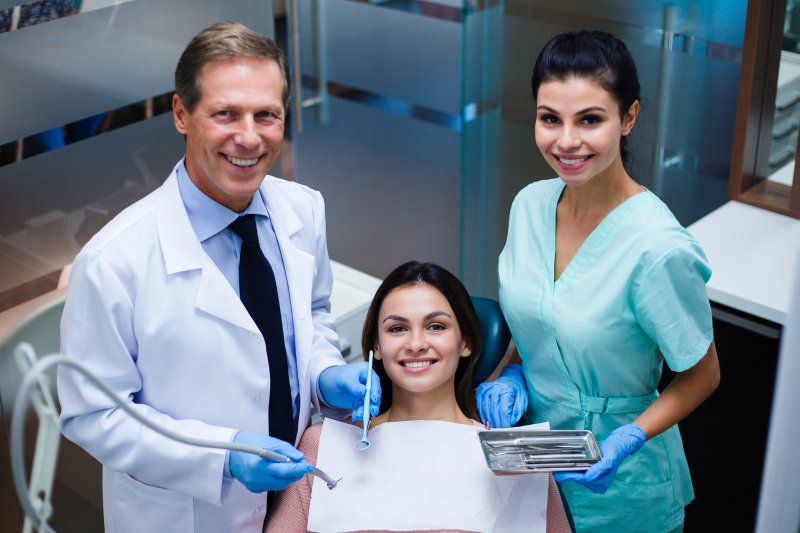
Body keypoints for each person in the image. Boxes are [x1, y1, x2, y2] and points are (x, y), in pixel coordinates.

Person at [56, 21, 379, 533]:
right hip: (188, 513)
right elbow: (93, 416)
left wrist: (323, 374)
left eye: (266, 115)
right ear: (182, 114)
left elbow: (311, 318)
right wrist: (222, 459)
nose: (249, 137)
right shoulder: (114, 261)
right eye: (225, 113)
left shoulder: (304, 211)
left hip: (296, 496)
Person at [476, 31, 721, 532]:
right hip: (535, 457)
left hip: (623, 485)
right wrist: (511, 372)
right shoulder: (529, 205)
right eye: (550, 119)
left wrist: (629, 437)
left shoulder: (659, 248)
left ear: (628, 118)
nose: (566, 141)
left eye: (590, 119)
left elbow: (703, 376)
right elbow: (541, 321)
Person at [265, 261, 572, 533]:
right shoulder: (324, 446)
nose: (416, 343)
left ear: (466, 341)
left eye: (435, 326)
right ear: (377, 346)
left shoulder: (515, 455)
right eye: (397, 328)